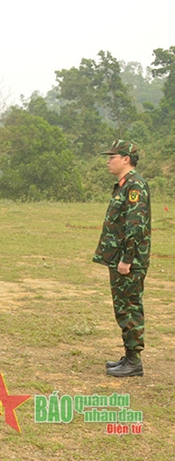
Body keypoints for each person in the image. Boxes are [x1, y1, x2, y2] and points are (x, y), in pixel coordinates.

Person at [94, 140, 151, 378]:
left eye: (112, 156)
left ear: (126, 159)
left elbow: (135, 227)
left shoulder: (134, 186)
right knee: (123, 307)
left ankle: (134, 361)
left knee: (129, 307)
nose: (108, 160)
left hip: (129, 260)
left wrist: (127, 259)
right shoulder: (124, 185)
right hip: (119, 257)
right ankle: (129, 356)